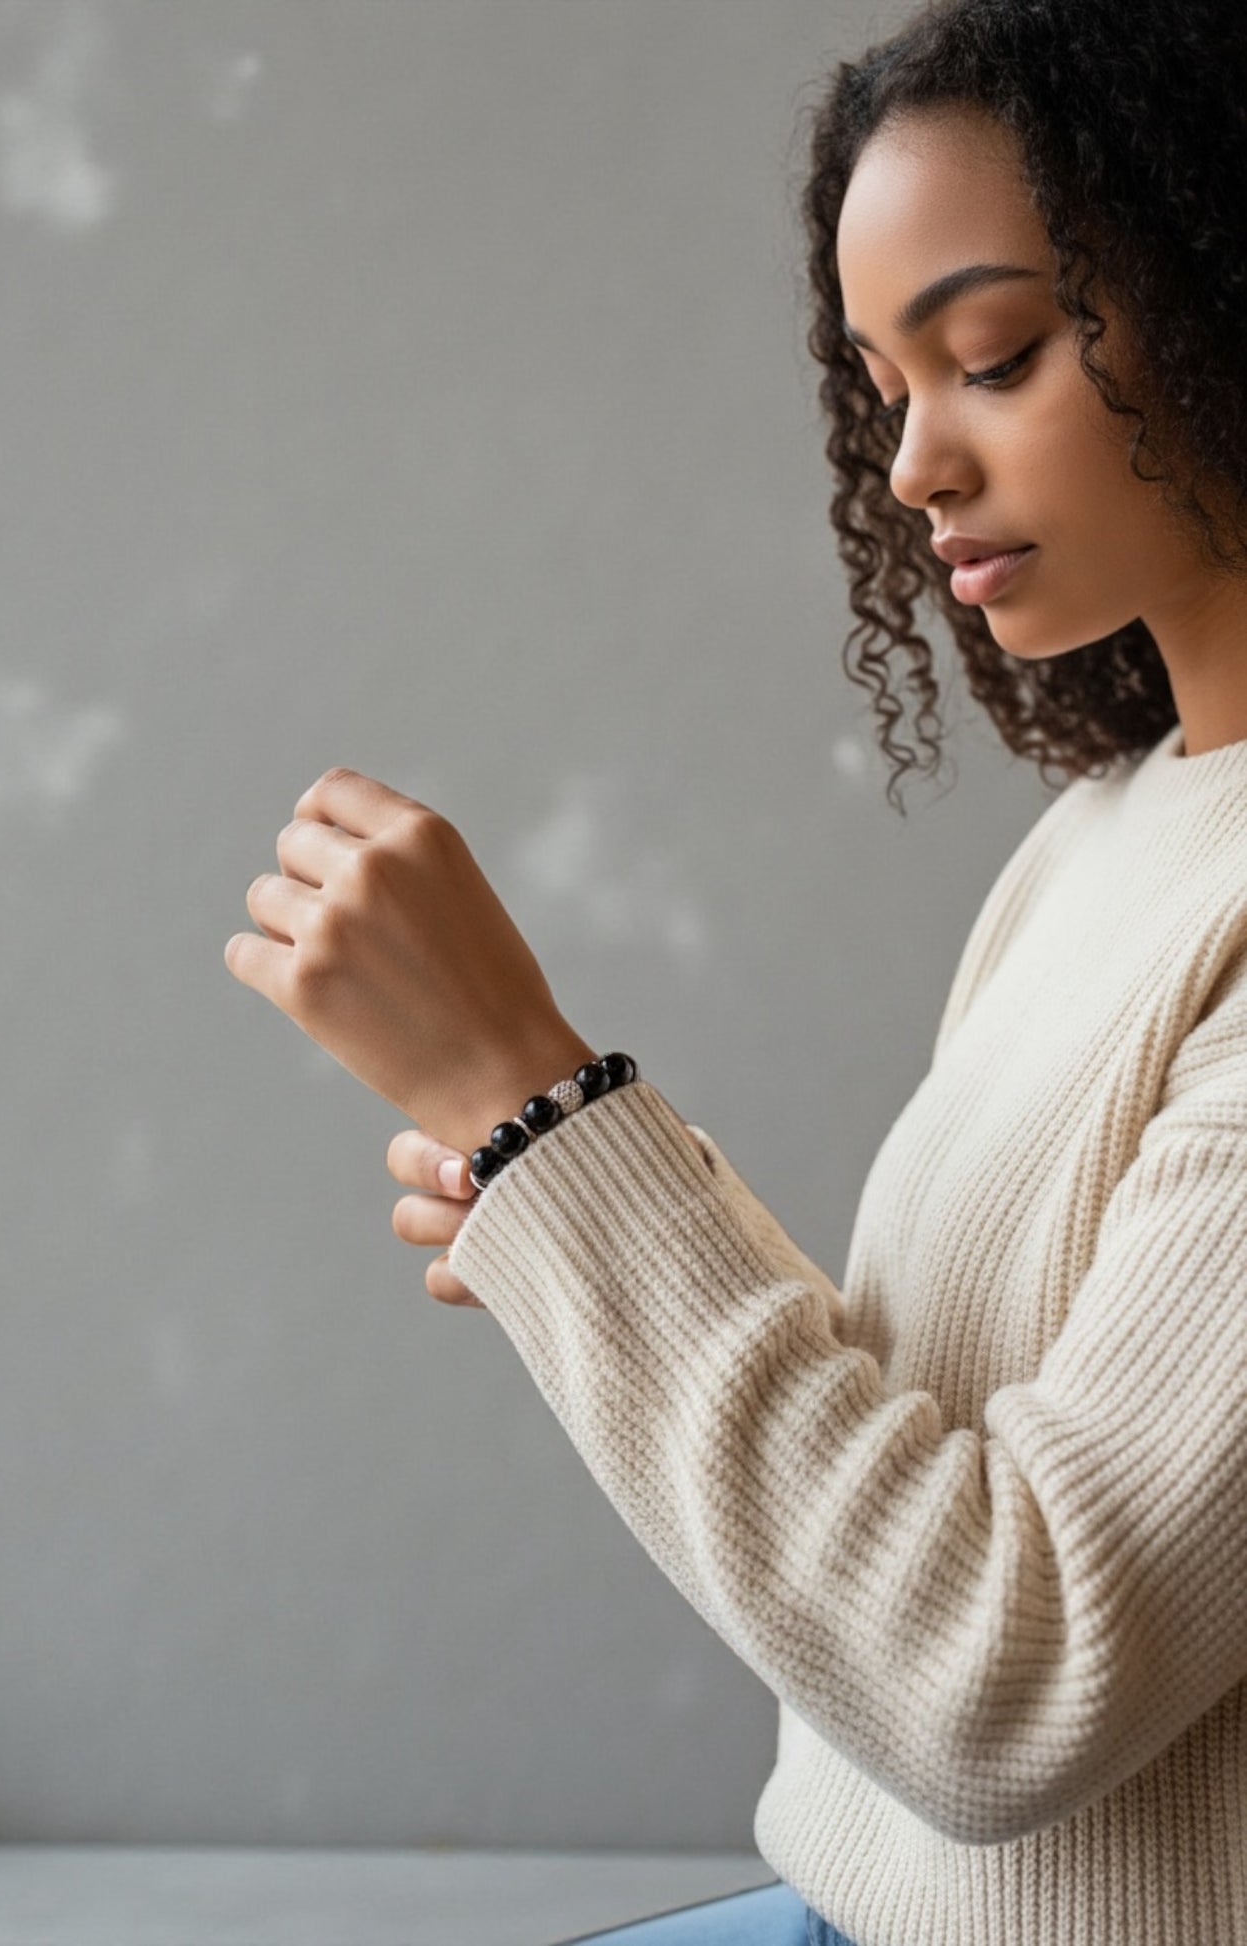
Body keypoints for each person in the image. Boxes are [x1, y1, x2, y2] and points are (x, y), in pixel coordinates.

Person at [222, 1, 1247, 1941]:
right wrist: (574, 1196)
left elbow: (1001, 1673)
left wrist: (523, 1089)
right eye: (882, 386)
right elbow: (955, 1419)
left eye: (994, 354)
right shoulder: (1105, 839)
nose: (913, 465)